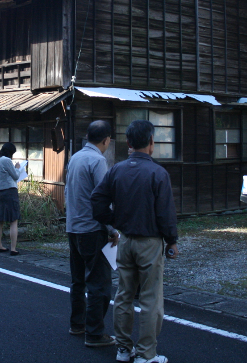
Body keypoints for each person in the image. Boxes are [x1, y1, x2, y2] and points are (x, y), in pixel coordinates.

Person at [92, 119, 179, 363]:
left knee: (124, 294)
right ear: (151, 142)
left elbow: (97, 200)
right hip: (150, 242)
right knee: (151, 299)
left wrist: (114, 219)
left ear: (129, 143)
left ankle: (123, 348)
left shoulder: (117, 169)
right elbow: (166, 213)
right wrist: (172, 241)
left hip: (125, 240)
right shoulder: (158, 173)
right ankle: (146, 353)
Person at [65, 120, 118, 348]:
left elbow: (68, 191)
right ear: (106, 140)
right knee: (99, 283)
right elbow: (102, 199)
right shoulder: (98, 161)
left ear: (87, 137)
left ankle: (77, 324)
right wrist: (112, 228)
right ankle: (95, 333)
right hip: (92, 228)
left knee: (78, 281)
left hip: (73, 227)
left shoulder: (75, 157)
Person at [0, 142, 21, 255]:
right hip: (10, 191)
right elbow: (16, 176)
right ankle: (13, 248)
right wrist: (17, 168)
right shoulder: (7, 160)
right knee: (13, 220)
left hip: (0, 192)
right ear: (10, 152)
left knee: (0, 220)